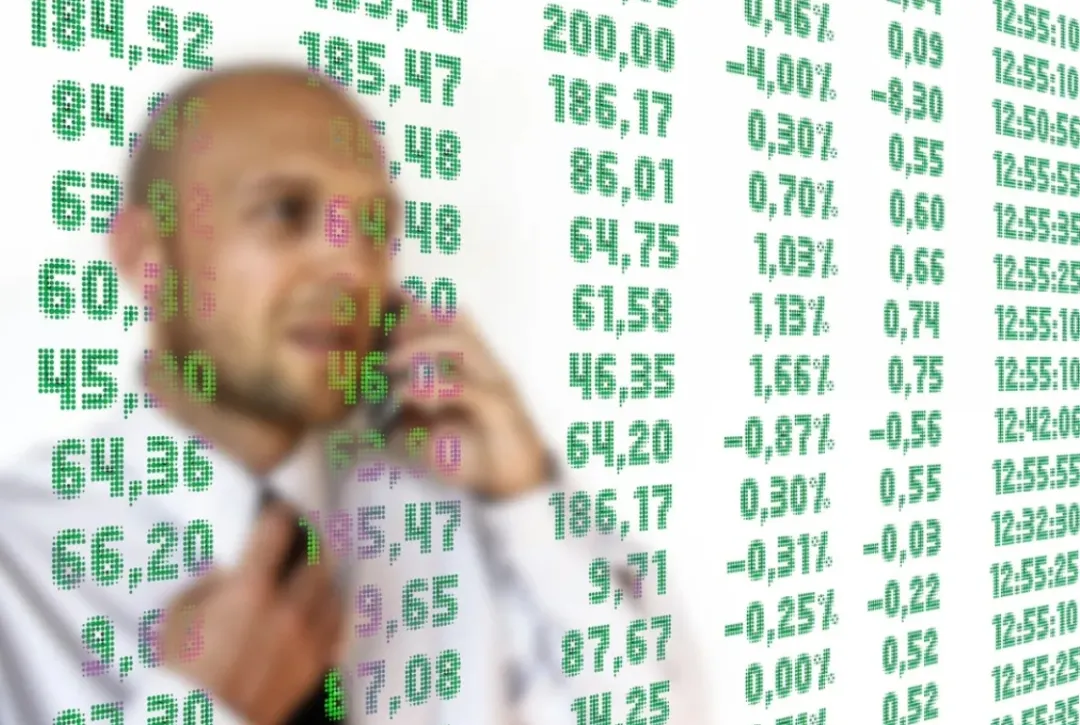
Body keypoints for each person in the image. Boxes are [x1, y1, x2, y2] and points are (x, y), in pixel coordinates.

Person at [0, 64, 707, 724]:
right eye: (284, 212)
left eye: (374, 228)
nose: (350, 267)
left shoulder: (455, 528)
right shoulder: (17, 564)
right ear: (146, 257)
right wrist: (202, 708)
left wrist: (526, 494)